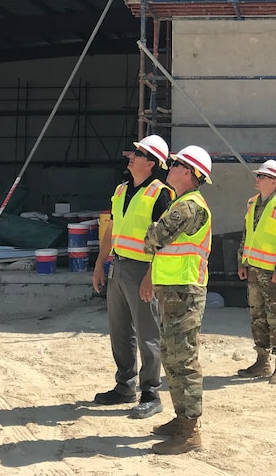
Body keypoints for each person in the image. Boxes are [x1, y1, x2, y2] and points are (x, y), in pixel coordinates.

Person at [91, 134, 172, 419]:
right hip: (119, 266)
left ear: (151, 163)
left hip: (143, 269)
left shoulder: (161, 194)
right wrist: (100, 263)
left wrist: (151, 276)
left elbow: (165, 241)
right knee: (120, 330)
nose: (131, 157)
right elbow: (111, 231)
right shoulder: (121, 190)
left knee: (148, 332)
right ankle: (124, 385)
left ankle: (150, 391)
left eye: (138, 154)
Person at [141, 145, 213, 455]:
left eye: (175, 165)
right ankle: (182, 418)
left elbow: (154, 239)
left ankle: (190, 430)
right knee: (172, 357)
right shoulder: (180, 202)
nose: (169, 168)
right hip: (173, 289)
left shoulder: (188, 206)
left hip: (184, 291)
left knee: (182, 359)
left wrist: (152, 233)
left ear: (189, 172)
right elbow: (156, 241)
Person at [236, 159, 276, 386]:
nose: (258, 179)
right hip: (254, 272)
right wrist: (242, 263)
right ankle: (262, 362)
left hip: (274, 275)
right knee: (258, 319)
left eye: (262, 176)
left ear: (274, 181)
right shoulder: (252, 203)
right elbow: (247, 236)